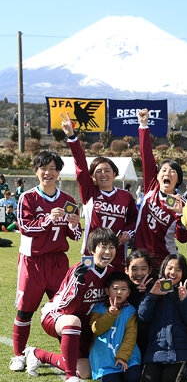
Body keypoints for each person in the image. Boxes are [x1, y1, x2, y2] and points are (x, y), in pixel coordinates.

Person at [10, 150, 82, 372]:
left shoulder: (68, 200)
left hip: (58, 262)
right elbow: (25, 227)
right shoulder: (27, 197)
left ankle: (71, 356)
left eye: (53, 168)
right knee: (25, 311)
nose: (48, 172)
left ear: (59, 172)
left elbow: (77, 236)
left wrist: (73, 224)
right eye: (44, 168)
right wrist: (49, 219)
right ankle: (18, 355)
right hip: (33, 262)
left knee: (65, 310)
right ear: (36, 171)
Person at [24, 228, 117, 382]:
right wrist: (79, 284)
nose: (108, 252)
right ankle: (70, 379)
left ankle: (38, 355)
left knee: (85, 371)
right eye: (103, 246)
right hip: (58, 315)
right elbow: (67, 309)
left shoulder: (111, 272)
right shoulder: (80, 270)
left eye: (112, 247)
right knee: (73, 321)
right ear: (92, 249)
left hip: (85, 324)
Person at [62, 112, 138, 270]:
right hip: (91, 254)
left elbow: (134, 220)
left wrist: (128, 233)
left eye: (107, 170)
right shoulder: (90, 192)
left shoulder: (125, 196)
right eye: (98, 171)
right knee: (89, 290)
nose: (103, 174)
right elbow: (81, 167)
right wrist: (71, 137)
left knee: (115, 291)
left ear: (115, 174)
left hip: (117, 255)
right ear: (92, 176)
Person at [133, 109, 187, 270]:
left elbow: (184, 238)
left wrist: (180, 214)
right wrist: (143, 125)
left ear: (178, 179)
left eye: (172, 171)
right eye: (164, 170)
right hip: (139, 255)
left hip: (164, 261)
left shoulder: (183, 203)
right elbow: (147, 156)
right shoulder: (152, 186)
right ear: (157, 175)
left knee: (163, 293)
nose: (167, 173)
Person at [137, 254, 187, 382]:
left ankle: (178, 368)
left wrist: (184, 300)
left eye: (178, 269)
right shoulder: (154, 287)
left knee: (168, 381)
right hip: (157, 346)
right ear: (163, 268)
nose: (173, 273)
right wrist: (152, 295)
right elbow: (143, 317)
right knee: (148, 381)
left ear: (183, 273)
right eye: (170, 268)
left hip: (179, 347)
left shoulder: (186, 291)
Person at [89, 271, 142, 382]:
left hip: (127, 354)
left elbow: (130, 336)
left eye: (123, 289)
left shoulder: (130, 311)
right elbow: (96, 329)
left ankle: (124, 370)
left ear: (128, 293)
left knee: (134, 378)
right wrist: (109, 315)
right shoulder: (98, 308)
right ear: (107, 291)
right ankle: (114, 372)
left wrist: (122, 357)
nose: (119, 292)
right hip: (105, 356)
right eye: (115, 288)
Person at [124, 249, 157, 357]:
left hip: (151, 339)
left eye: (143, 269)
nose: (139, 273)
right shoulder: (122, 288)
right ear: (126, 270)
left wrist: (148, 294)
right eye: (134, 269)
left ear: (150, 270)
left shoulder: (156, 287)